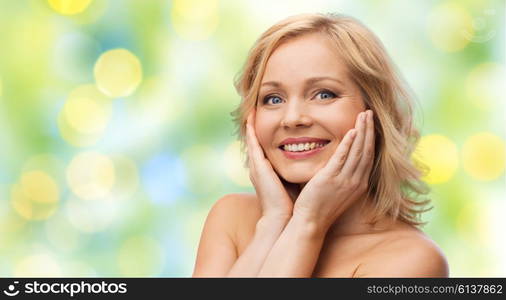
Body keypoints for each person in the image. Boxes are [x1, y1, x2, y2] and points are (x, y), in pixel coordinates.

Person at [193, 12, 448, 277]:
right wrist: (273, 223)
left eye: (324, 94)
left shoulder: (412, 260)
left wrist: (308, 222)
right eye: (273, 99)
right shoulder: (231, 218)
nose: (292, 118)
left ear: (375, 111)